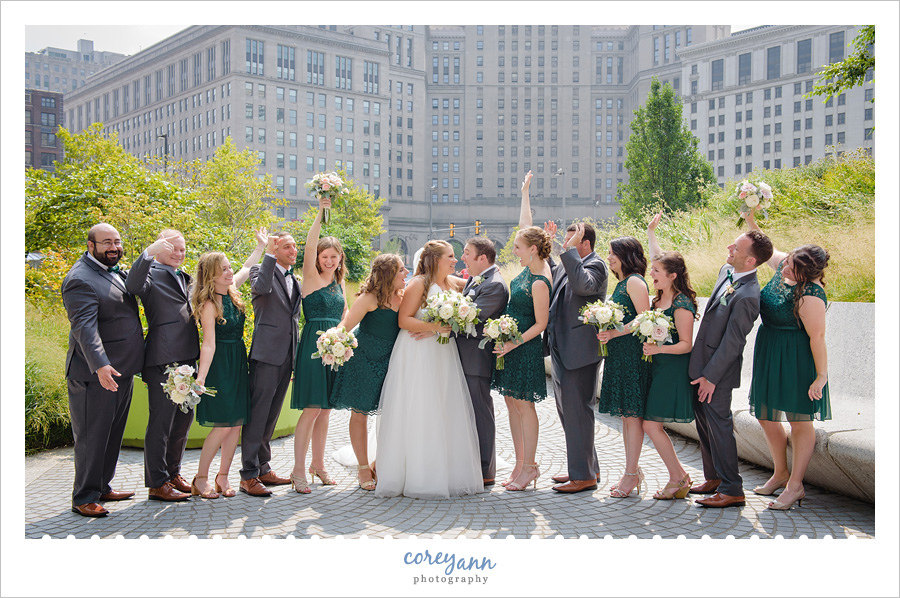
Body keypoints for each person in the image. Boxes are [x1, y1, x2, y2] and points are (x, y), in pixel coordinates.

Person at [374, 240, 484, 498]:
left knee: (444, 406)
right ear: (434, 259)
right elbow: (404, 320)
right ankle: (417, 475)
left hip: (443, 352)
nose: (455, 261)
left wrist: (453, 322)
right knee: (421, 407)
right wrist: (434, 328)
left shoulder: (453, 283)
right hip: (417, 352)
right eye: (450, 256)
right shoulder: (418, 283)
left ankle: (446, 470)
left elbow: (473, 293)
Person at [745, 208, 830, 511]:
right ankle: (780, 473)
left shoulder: (811, 296)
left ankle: (795, 484)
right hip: (770, 349)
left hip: (796, 357)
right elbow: (767, 248)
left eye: (792, 270)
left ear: (807, 275)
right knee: (766, 415)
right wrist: (751, 219)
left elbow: (816, 338)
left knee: (799, 421)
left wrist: (821, 376)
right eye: (788, 264)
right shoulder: (785, 264)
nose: (784, 270)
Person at [62, 223, 145, 517]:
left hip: (122, 371)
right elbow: (85, 327)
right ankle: (84, 496)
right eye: (106, 242)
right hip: (94, 374)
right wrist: (100, 365)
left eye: (117, 241)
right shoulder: (80, 280)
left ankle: (102, 487)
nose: (113, 247)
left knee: (112, 434)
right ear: (91, 246)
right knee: (92, 436)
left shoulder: (115, 271)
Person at [689, 228, 773, 508]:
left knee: (720, 426)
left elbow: (733, 343)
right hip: (700, 363)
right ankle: (713, 478)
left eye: (736, 247)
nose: (729, 248)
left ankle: (732, 489)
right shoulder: (728, 271)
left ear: (750, 261)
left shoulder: (749, 295)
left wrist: (711, 377)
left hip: (718, 374)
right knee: (704, 424)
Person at [190, 234, 266, 498]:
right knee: (222, 425)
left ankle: (223, 477)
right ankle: (201, 478)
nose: (229, 271)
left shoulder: (232, 291)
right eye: (223, 268)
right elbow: (208, 344)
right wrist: (201, 378)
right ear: (211, 275)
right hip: (220, 365)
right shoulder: (210, 304)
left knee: (235, 425)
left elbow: (247, 267)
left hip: (237, 361)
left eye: (228, 267)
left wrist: (259, 246)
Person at [126, 230, 198, 502]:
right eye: (174, 248)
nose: (180, 253)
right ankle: (157, 483)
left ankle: (172, 472)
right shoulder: (150, 272)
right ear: (159, 247)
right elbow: (133, 287)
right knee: (161, 422)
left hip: (188, 358)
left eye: (183, 248)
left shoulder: (184, 276)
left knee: (183, 419)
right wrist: (148, 252)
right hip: (163, 358)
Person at [491, 171, 552, 491]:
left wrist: (512, 343)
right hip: (510, 345)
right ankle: (519, 464)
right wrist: (525, 193)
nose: (513, 250)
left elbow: (540, 325)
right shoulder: (529, 265)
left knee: (524, 405)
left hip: (524, 348)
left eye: (517, 246)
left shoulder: (541, 279)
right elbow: (525, 223)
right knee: (511, 403)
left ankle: (530, 466)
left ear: (532, 249)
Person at [330, 254, 408, 491]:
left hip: (391, 363)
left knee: (395, 415)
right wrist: (330, 342)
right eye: (402, 270)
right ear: (389, 275)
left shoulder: (404, 297)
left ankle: (379, 463)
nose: (406, 274)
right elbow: (345, 327)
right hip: (363, 361)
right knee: (360, 413)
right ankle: (363, 468)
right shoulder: (369, 298)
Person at [542, 220, 608, 493]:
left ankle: (583, 476)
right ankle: (586, 467)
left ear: (585, 243)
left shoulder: (596, 265)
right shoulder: (569, 263)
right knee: (569, 412)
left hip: (580, 352)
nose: (565, 247)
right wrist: (548, 245)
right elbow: (555, 271)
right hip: (561, 348)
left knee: (579, 412)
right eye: (564, 242)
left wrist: (568, 252)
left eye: (571, 242)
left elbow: (583, 287)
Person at [289, 196, 348, 493]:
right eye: (325, 256)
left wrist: (340, 335)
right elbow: (309, 245)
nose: (328, 261)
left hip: (334, 349)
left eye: (333, 257)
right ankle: (298, 470)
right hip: (313, 349)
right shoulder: (310, 277)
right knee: (312, 409)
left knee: (326, 411)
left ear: (339, 259)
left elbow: (346, 313)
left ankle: (319, 465)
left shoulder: (339, 284)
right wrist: (321, 212)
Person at [239, 229, 302, 497]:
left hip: (287, 355)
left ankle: (264, 467)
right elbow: (261, 288)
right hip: (266, 354)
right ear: (274, 249)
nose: (293, 251)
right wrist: (265, 253)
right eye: (287, 246)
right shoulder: (259, 271)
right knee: (258, 415)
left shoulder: (294, 279)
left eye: (295, 246)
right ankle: (248, 474)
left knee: (272, 415)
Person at [641, 214, 699, 499]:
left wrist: (658, 348)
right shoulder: (661, 295)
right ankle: (679, 477)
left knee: (650, 424)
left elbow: (687, 344)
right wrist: (651, 233)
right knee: (649, 424)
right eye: (652, 271)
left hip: (673, 368)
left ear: (672, 275)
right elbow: (658, 257)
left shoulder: (681, 303)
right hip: (658, 366)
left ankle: (678, 478)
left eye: (656, 272)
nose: (652, 275)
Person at [595, 236, 652, 498]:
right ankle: (631, 471)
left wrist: (615, 332)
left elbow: (645, 319)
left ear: (626, 255)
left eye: (612, 253)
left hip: (632, 357)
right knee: (627, 418)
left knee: (632, 417)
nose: (609, 258)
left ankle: (631, 473)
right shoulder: (622, 282)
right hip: (619, 357)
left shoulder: (635, 281)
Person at [457, 237, 509, 486]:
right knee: (469, 412)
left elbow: (472, 319)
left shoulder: (495, 285)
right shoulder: (477, 278)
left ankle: (486, 470)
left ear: (483, 258)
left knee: (481, 413)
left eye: (467, 253)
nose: (462, 257)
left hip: (477, 359)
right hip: (465, 357)